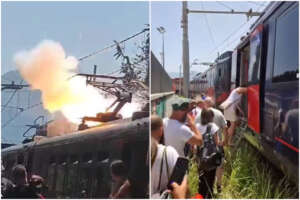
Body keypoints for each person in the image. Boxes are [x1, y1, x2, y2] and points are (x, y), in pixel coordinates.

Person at [196, 108, 221, 199]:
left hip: (200, 157)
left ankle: (201, 195)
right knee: (211, 179)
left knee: (201, 178)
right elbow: (217, 142)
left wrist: (196, 156)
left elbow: (195, 144)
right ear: (211, 117)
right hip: (211, 157)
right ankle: (209, 196)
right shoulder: (213, 126)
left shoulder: (197, 126)